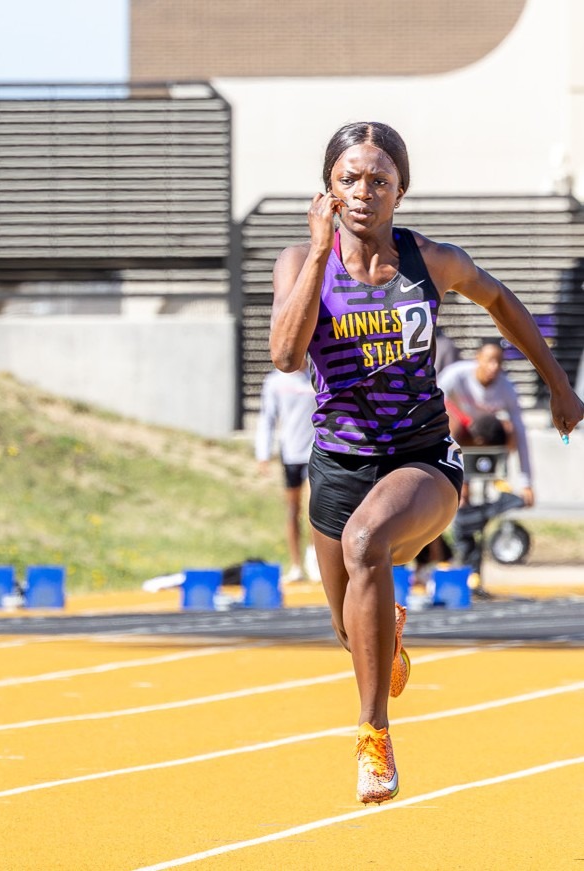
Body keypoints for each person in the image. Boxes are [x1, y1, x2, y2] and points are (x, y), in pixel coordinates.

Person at [269, 121, 581, 805]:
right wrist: (320, 253)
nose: (363, 191)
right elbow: (287, 357)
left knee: (367, 543)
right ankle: (386, 634)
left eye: (379, 180)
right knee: (351, 630)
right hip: (338, 464)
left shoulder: (429, 261)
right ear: (329, 186)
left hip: (421, 459)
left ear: (400, 192)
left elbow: (498, 298)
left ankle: (373, 737)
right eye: (350, 177)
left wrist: (559, 384)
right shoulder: (299, 261)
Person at [439, 339, 534, 506]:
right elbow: (432, 403)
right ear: (478, 358)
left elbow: (520, 431)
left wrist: (526, 483)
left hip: (485, 434)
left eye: (499, 361)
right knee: (452, 423)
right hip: (460, 431)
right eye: (490, 360)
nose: (494, 366)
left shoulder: (506, 387)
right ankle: (449, 480)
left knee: (510, 429)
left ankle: (495, 478)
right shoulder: (456, 375)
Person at [254, 366, 318, 582]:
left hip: (315, 452)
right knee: (292, 509)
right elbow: (267, 418)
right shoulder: (275, 381)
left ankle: (314, 556)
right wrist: (263, 454)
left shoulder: (316, 376)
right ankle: (296, 565)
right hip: (291, 452)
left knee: (315, 507)